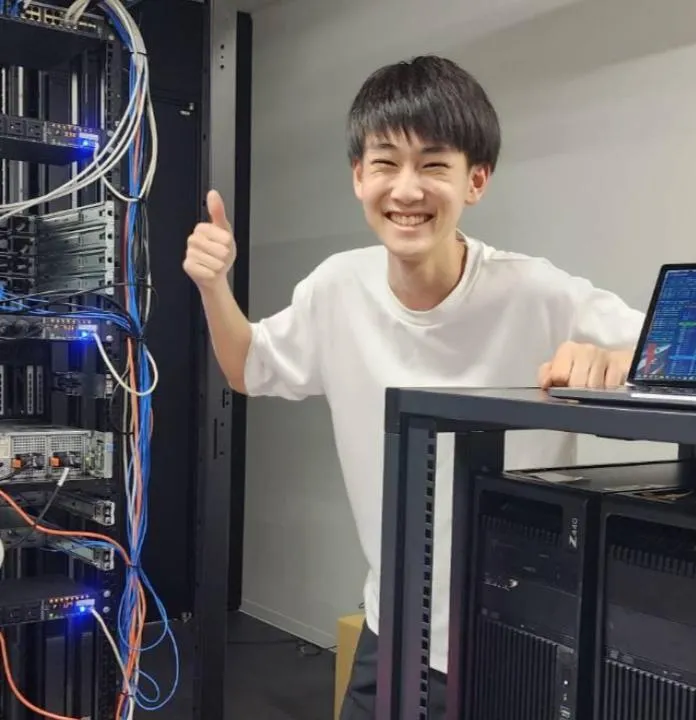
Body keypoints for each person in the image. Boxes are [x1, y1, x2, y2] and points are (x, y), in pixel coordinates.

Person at [183, 55, 643, 718]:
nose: (406, 189)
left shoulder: (538, 291)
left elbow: (683, 352)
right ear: (358, 176)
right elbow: (246, 366)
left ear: (475, 180)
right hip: (394, 628)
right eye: (385, 163)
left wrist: (617, 359)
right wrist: (213, 286)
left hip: (522, 638)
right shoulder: (337, 287)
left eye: (433, 165)